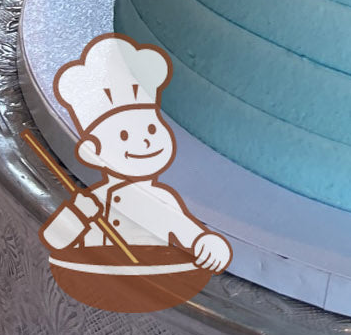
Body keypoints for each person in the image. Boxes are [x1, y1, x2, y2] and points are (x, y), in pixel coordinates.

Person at [39, 33, 231, 272]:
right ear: (92, 150)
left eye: (151, 129)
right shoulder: (94, 199)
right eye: (124, 136)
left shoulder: (165, 202)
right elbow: (55, 236)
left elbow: (193, 236)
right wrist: (77, 217)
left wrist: (209, 243)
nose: (145, 142)